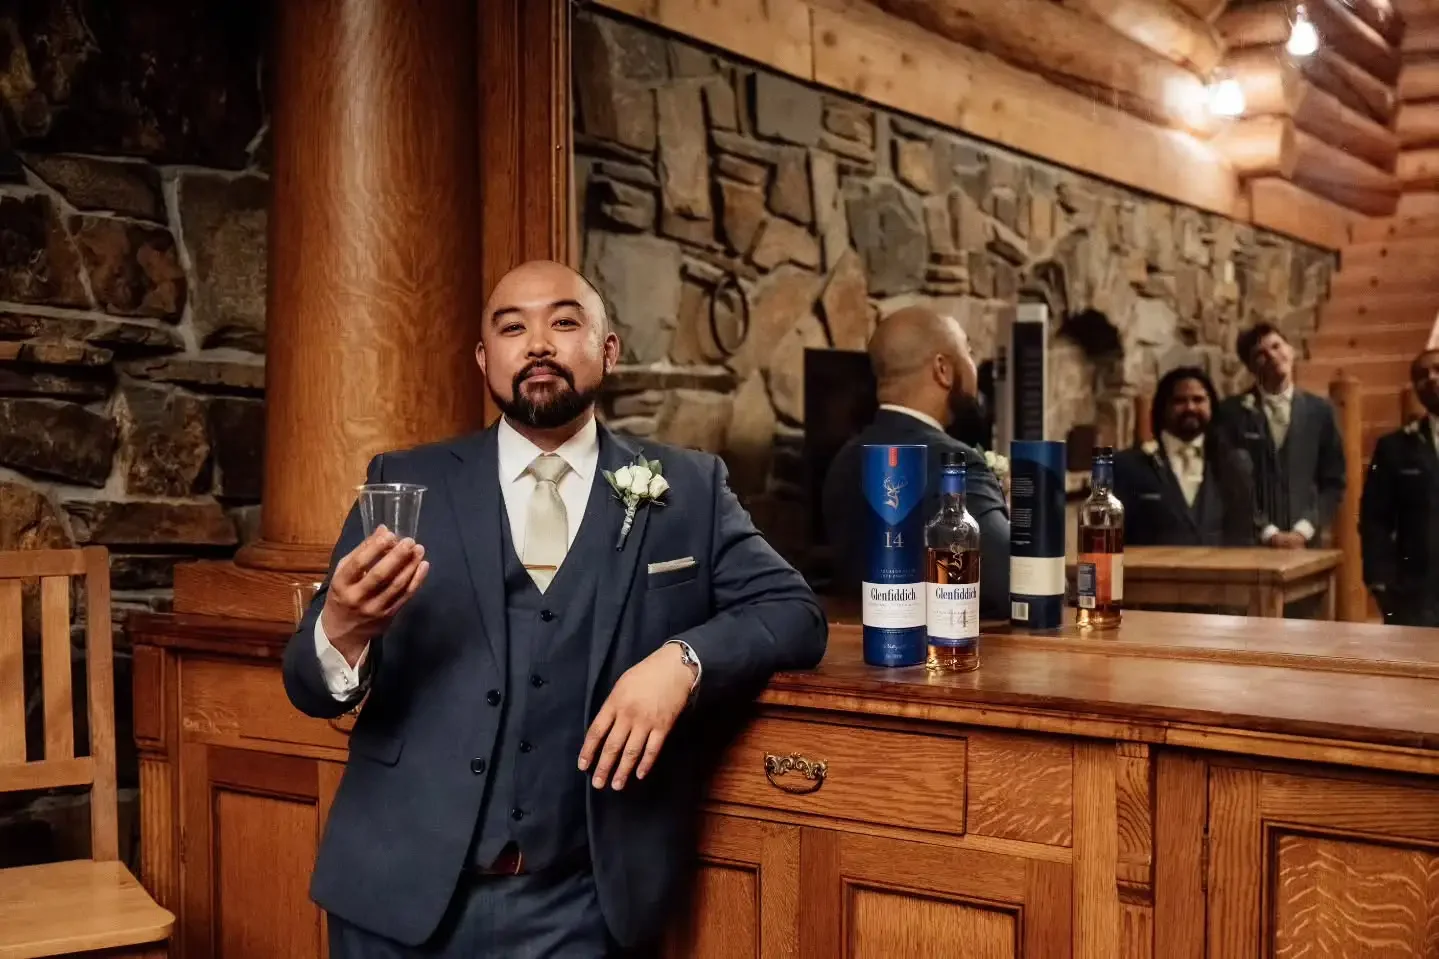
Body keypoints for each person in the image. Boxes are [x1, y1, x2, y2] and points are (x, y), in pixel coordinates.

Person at [282, 260, 828, 957]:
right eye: (512, 327)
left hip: (578, 905)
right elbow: (306, 684)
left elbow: (793, 611)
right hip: (394, 894)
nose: (537, 343)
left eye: (564, 322)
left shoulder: (687, 488)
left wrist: (681, 661)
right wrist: (342, 630)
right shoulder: (405, 482)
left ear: (608, 349)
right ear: (485, 358)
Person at [820, 306, 1010, 619]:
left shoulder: (843, 460)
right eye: (970, 352)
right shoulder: (954, 464)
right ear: (943, 370)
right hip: (948, 658)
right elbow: (1010, 586)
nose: (974, 367)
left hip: (866, 655)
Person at [1216, 323, 1346, 550]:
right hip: (1250, 545)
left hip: (1305, 544)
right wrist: (1268, 532)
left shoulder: (1320, 411)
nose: (1273, 356)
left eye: (1276, 346)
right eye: (1261, 355)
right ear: (1250, 367)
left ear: (1291, 350)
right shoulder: (1232, 413)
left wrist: (1304, 529)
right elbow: (1229, 483)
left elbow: (1333, 480)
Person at [1114, 366, 1257, 547]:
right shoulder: (1127, 466)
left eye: (1198, 400)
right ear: (1162, 408)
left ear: (1211, 405)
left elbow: (1244, 537)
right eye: (1179, 401)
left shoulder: (1234, 463)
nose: (1190, 407)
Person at [1361, 348, 1439, 627]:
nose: (1430, 378)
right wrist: (1380, 581)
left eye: (1438, 370)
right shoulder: (1394, 447)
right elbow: (1374, 519)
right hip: (1416, 595)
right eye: (1421, 375)